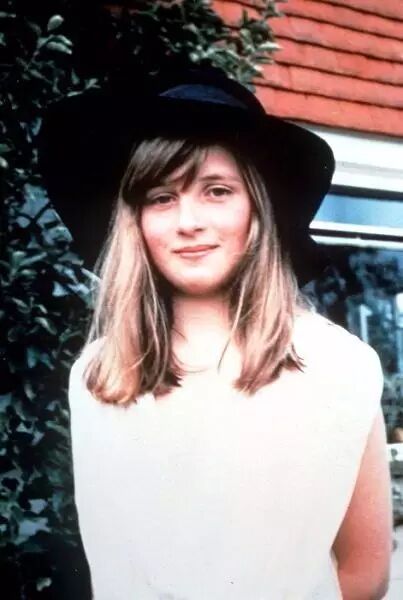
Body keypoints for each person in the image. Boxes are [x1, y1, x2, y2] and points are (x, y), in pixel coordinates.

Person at [39, 65, 393, 600]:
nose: (188, 221)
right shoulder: (98, 374)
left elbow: (365, 573)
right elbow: (111, 569)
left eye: (217, 191)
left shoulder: (338, 364)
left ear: (257, 209)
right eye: (161, 197)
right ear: (136, 222)